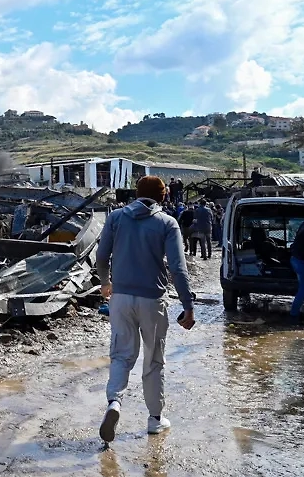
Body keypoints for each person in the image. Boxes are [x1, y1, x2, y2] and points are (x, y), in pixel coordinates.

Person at [96, 176, 194, 442]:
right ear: (163, 197)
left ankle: (114, 402)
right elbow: (177, 268)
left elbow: (102, 257)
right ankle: (154, 419)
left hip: (121, 297)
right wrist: (188, 305)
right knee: (153, 359)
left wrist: (106, 283)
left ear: (137, 193)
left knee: (121, 355)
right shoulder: (167, 223)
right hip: (153, 299)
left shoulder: (116, 217)